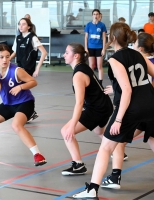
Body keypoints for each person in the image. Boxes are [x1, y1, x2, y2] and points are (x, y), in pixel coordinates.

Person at [73, 22, 154, 199]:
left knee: (105, 148)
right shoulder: (139, 54)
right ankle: (113, 177)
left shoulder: (115, 59)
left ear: (113, 38)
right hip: (151, 105)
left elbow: (127, 90)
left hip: (131, 108)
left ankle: (92, 190)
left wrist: (118, 119)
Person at [0, 44, 47, 167]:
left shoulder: (16, 71)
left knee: (16, 125)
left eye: (7, 57)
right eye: (1, 57)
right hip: (8, 103)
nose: (5, 60)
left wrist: (21, 86)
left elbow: (34, 82)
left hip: (25, 102)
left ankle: (37, 154)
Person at [99, 32, 154, 190]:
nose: (133, 46)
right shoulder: (141, 58)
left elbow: (129, 88)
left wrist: (118, 115)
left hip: (136, 108)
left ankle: (115, 176)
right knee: (151, 138)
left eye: (136, 44)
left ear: (141, 48)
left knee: (118, 141)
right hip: (149, 106)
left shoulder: (138, 59)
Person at [60, 43, 113, 176]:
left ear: (76, 56)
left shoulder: (78, 75)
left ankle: (78, 165)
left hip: (97, 109)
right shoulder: (83, 67)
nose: (63, 55)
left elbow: (79, 103)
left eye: (67, 52)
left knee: (66, 131)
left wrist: (72, 126)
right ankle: (118, 151)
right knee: (99, 130)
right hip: (105, 105)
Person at [10, 18, 48, 122]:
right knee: (21, 89)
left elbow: (44, 53)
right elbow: (15, 52)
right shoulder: (17, 38)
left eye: (23, 24)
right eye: (19, 24)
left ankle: (27, 111)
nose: (20, 26)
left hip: (28, 68)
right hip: (19, 67)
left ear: (28, 26)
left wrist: (37, 69)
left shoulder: (33, 38)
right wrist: (7, 59)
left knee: (19, 88)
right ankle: (29, 112)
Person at [84, 9, 107, 85]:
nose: (95, 16)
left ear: (99, 15)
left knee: (99, 66)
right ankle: (91, 81)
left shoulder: (102, 25)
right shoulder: (88, 25)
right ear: (92, 15)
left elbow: (104, 38)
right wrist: (86, 48)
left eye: (97, 14)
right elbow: (86, 37)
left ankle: (100, 82)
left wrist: (104, 48)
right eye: (94, 14)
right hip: (90, 47)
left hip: (99, 47)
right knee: (91, 66)